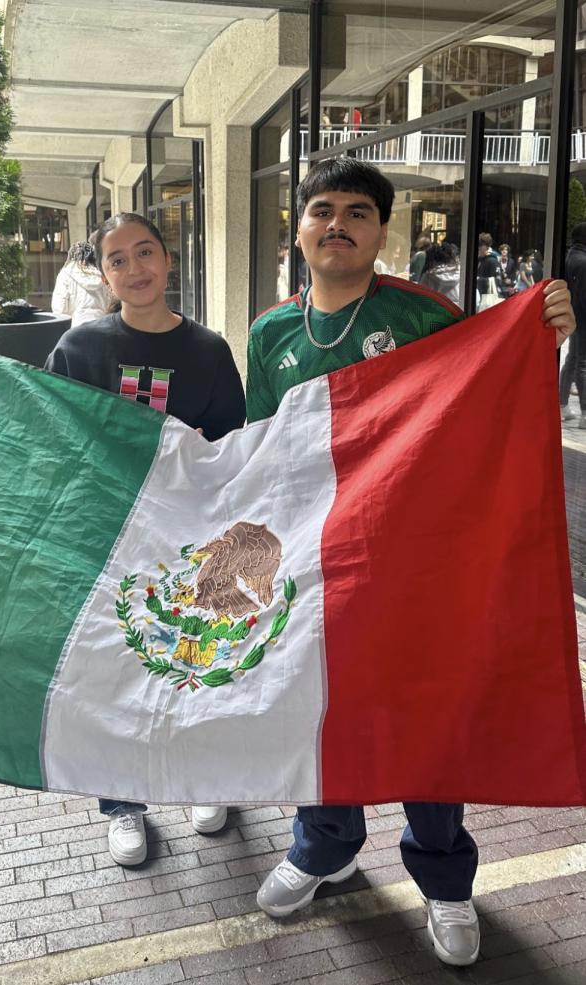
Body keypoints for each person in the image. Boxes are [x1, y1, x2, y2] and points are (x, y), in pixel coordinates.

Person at [245, 157, 574, 968]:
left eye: (358, 211)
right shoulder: (269, 332)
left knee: (426, 709)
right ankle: (326, 844)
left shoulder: (425, 313)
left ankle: (444, 877)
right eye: (322, 209)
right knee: (320, 704)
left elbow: (487, 395)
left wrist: (542, 328)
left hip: (413, 561)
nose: (338, 224)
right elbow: (260, 450)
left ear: (380, 230)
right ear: (299, 227)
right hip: (314, 564)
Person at [0, 212, 246, 867]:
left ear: (169, 260)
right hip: (108, 537)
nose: (135, 268)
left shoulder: (207, 352)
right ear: (105, 274)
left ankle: (207, 781)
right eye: (117, 259)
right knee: (113, 674)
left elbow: (233, 446)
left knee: (193, 664)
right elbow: (46, 426)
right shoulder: (82, 348)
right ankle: (121, 804)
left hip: (186, 541)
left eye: (145, 252)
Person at [559, 223, 586, 427]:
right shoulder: (584, 261)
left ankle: (562, 404)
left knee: (571, 360)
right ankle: (585, 413)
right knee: (582, 363)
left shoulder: (567, 257)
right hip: (582, 318)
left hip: (569, 314)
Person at [51, 240, 113, 327]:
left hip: (76, 327)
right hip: (103, 326)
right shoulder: (103, 274)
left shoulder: (65, 274)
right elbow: (111, 304)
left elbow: (60, 308)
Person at [477, 239, 501, 309]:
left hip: (488, 295)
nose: (479, 248)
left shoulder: (492, 261)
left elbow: (498, 280)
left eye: (481, 246)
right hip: (480, 294)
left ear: (487, 247)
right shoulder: (480, 260)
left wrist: (478, 279)